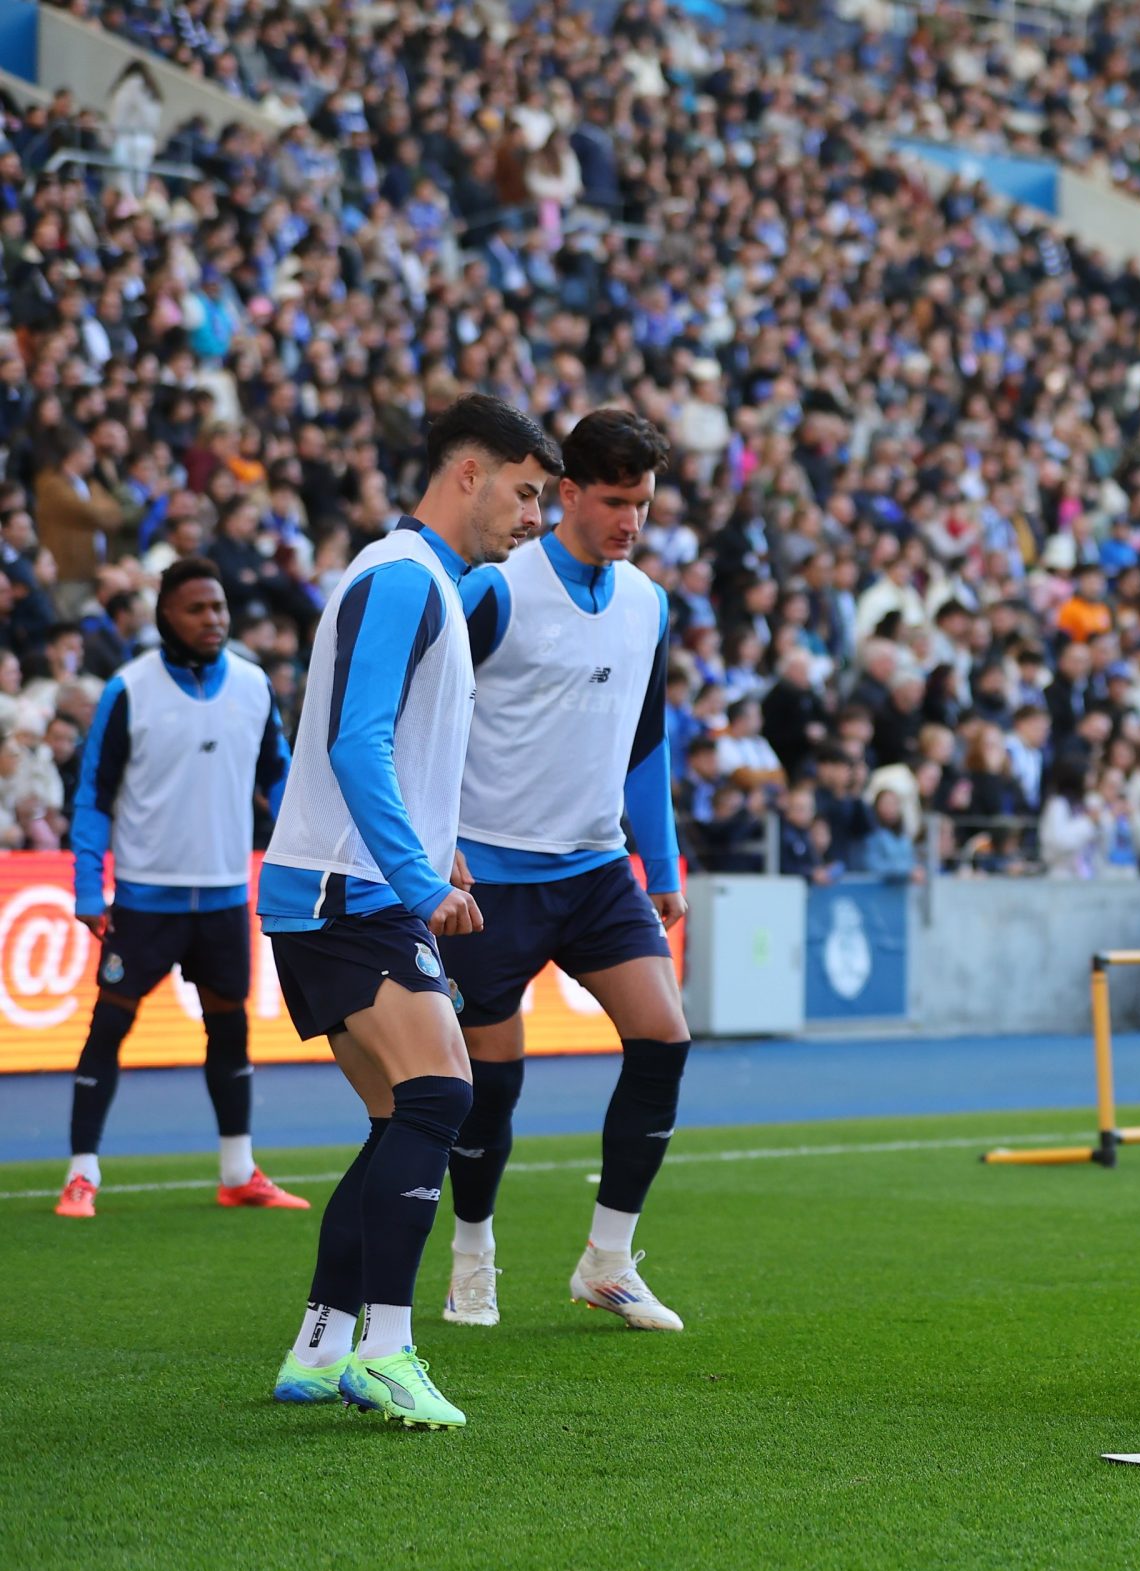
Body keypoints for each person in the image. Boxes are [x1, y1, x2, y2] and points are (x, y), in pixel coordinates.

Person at [264, 394, 561, 1430]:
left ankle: (319, 1347)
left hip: (342, 884)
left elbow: (395, 751)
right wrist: (420, 878)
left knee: (404, 1114)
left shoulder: (428, 578)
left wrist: (442, 852)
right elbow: (356, 741)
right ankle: (386, 1349)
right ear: (467, 474)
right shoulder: (403, 577)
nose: (537, 519)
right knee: (442, 1099)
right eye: (528, 493)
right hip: (353, 892)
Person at [437, 409, 691, 1332]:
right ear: (569, 494)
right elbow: (428, 711)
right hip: (490, 881)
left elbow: (648, 743)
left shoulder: (648, 604)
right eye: (617, 502)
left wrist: (659, 864)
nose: (633, 522)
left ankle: (609, 1261)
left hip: (593, 871)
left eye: (646, 504)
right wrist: (435, 839)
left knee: (664, 1037)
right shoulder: (497, 588)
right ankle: (473, 1258)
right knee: (490, 1087)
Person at [56, 559, 297, 1217]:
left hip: (223, 897)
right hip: (143, 900)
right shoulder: (127, 689)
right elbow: (93, 798)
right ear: (166, 615)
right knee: (108, 1028)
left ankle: (238, 1170)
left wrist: (312, 847)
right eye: (197, 609)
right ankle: (82, 1174)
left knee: (230, 1031)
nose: (213, 619)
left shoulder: (252, 686)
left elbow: (283, 781)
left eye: (219, 607)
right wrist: (86, 887)